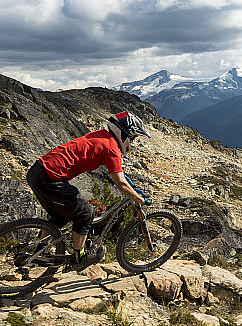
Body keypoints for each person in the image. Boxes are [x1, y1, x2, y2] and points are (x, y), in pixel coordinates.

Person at [26, 111, 150, 271]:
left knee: (61, 217)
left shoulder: (102, 136)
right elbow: (121, 184)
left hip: (37, 171)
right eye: (132, 138)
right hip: (51, 177)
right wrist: (138, 198)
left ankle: (37, 253)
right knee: (86, 213)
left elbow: (114, 168)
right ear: (125, 133)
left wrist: (129, 183)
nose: (131, 142)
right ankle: (80, 257)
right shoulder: (112, 148)